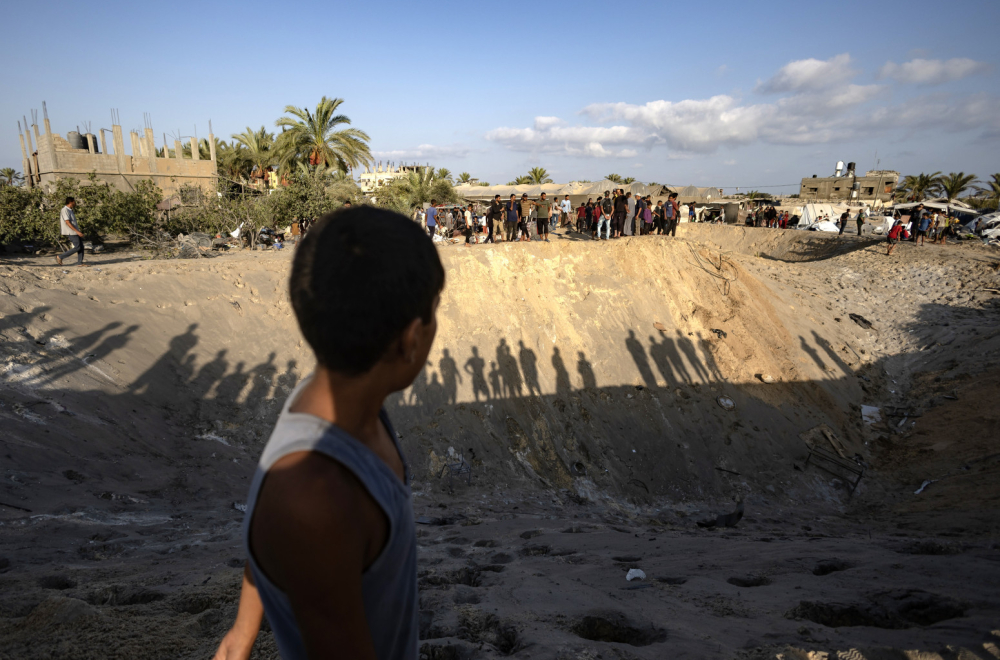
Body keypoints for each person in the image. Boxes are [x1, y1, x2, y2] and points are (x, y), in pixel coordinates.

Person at [213, 207, 442, 660]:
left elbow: (284, 552)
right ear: (410, 337)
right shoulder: (317, 499)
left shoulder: (326, 401)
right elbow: (297, 529)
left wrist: (240, 635)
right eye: (434, 313)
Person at [56, 197, 86, 266]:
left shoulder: (70, 210)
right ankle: (60, 256)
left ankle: (80, 262)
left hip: (74, 231)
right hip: (71, 231)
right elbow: (67, 222)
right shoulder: (65, 210)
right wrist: (77, 232)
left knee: (81, 246)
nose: (75, 203)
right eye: (74, 201)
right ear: (71, 202)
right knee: (77, 247)